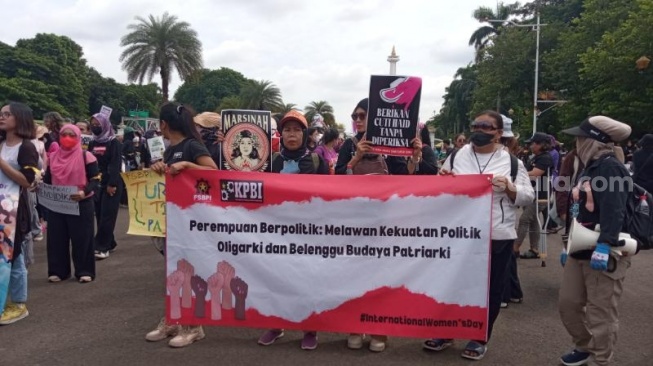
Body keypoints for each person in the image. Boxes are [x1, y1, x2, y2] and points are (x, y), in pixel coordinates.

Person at [424, 110, 534, 360]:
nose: (479, 130)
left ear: (498, 133)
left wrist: (509, 187)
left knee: (491, 288)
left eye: (486, 126)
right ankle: (446, 331)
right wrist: (443, 180)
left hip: (497, 234)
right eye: (476, 125)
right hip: (460, 233)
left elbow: (528, 196)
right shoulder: (457, 155)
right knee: (452, 283)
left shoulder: (511, 162)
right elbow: (441, 186)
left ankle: (479, 336)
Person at [558, 116, 632, 366]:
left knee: (601, 312)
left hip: (604, 251)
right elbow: (578, 209)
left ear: (594, 141)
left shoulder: (610, 167)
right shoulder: (589, 167)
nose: (577, 143)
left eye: (581, 138)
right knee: (568, 304)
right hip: (580, 248)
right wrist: (567, 244)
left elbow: (615, 210)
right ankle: (585, 347)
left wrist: (605, 243)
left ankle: (601, 359)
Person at [146, 103, 217, 348]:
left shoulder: (192, 146)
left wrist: (187, 166)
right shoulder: (170, 150)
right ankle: (173, 319)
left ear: (164, 124)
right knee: (173, 272)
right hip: (172, 220)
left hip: (190, 222)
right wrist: (157, 169)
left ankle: (194, 326)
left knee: (190, 272)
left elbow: (212, 172)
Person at [257, 110, 328, 351]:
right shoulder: (273, 161)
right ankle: (276, 325)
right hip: (277, 233)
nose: (291, 134)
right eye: (287, 129)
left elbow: (331, 197)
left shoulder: (318, 161)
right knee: (276, 279)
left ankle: (310, 329)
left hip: (309, 234)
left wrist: (313, 176)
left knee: (308, 281)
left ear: (305, 133)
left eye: (297, 129)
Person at [43, 124, 100, 283]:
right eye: (64, 134)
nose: (67, 138)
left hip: (81, 202)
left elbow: (95, 179)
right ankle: (58, 271)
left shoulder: (86, 156)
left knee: (82, 238)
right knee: (56, 238)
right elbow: (48, 180)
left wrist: (84, 192)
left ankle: (84, 271)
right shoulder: (53, 157)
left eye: (72, 135)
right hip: (57, 203)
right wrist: (39, 188)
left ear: (78, 138)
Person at [0, 102, 40, 325]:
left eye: (7, 114)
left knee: (14, 257)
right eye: (1, 114)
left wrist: (2, 164)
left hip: (14, 211)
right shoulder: (1, 143)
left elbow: (28, 180)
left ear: (20, 119)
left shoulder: (26, 147)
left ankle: (18, 303)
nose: (2, 117)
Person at [87, 113, 122, 260]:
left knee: (108, 215)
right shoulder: (93, 142)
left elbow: (115, 164)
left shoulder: (113, 143)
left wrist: (112, 184)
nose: (95, 127)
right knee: (100, 214)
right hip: (97, 183)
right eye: (93, 124)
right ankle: (110, 241)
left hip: (110, 183)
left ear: (105, 125)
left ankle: (102, 247)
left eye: (98, 124)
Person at [516, 132, 553, 259]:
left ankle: (514, 249)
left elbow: (536, 173)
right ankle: (534, 249)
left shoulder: (545, 158)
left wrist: (520, 174)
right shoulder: (535, 157)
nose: (531, 146)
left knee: (524, 219)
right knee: (533, 222)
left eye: (533, 143)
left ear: (541, 145)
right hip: (531, 194)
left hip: (540, 195)